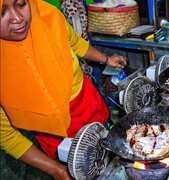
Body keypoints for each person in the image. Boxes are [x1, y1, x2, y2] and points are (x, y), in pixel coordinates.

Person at [0, 0, 127, 179]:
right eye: (2, 13)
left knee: (110, 154)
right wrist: (56, 169)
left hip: (88, 106)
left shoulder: (47, 17)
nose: (17, 18)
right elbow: (7, 136)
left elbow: (75, 43)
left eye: (21, 4)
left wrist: (105, 59)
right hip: (57, 135)